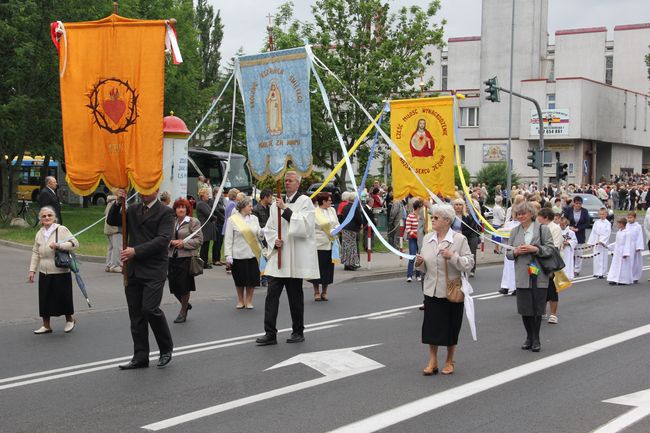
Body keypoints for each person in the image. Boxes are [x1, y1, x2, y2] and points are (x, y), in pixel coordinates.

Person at [107, 188, 174, 370]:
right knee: (136, 315)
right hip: (133, 270)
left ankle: (166, 349)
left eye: (148, 189)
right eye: (141, 189)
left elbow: (163, 240)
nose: (143, 193)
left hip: (154, 269)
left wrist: (136, 250)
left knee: (150, 309)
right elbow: (113, 221)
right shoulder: (134, 209)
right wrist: (117, 202)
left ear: (157, 190)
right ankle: (140, 356)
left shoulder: (166, 212)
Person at [256, 171, 319, 346]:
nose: (287, 183)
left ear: (298, 184)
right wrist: (273, 240)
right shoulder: (275, 203)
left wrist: (285, 209)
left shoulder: (305, 202)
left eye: (290, 181)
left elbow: (305, 227)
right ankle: (270, 333)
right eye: (285, 180)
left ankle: (298, 331)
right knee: (271, 295)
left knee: (295, 297)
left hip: (294, 258)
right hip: (279, 256)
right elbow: (269, 227)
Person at [415, 203, 474, 376]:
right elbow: (425, 266)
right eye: (432, 217)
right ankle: (433, 360)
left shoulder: (459, 239)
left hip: (451, 291)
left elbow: (469, 264)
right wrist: (419, 264)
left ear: (447, 221)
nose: (432, 220)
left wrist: (453, 256)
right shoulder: (427, 238)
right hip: (431, 290)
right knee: (431, 328)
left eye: (436, 218)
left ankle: (450, 360)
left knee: (451, 327)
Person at [506, 202, 555, 353]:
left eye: (523, 213)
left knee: (537, 308)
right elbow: (508, 253)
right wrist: (516, 252)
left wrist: (535, 248)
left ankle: (536, 338)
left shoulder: (542, 229)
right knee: (525, 309)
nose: (520, 216)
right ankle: (529, 336)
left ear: (531, 214)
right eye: (518, 214)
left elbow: (551, 249)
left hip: (538, 273)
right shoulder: (514, 231)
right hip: (522, 274)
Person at [28, 206, 79, 334]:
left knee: (63, 296)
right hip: (44, 271)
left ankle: (69, 319)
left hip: (60, 269)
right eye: (44, 216)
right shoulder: (39, 233)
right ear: (40, 219)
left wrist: (59, 245)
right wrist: (32, 270)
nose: (47, 218)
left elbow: (75, 243)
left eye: (49, 215)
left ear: (54, 217)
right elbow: (35, 252)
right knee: (45, 298)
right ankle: (46, 325)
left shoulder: (61, 229)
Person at [167, 198, 203, 323]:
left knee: (184, 286)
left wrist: (183, 244)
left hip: (186, 258)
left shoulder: (193, 222)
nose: (181, 209)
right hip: (172, 257)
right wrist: (171, 242)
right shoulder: (172, 221)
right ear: (175, 210)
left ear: (187, 209)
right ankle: (185, 304)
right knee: (173, 285)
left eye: (183, 207)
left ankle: (183, 311)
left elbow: (199, 240)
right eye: (178, 207)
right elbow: (164, 237)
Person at [224, 197, 263, 309]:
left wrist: (262, 232)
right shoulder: (233, 220)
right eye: (249, 206)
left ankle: (249, 301)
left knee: (252, 279)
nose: (251, 207)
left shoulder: (254, 218)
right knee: (240, 279)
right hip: (238, 255)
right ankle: (241, 300)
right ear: (242, 207)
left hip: (253, 254)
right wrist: (228, 255)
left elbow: (259, 235)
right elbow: (228, 238)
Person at [309, 192, 340, 301]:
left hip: (330, 243)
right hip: (319, 244)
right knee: (318, 269)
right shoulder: (314, 212)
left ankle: (324, 291)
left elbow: (336, 222)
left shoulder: (332, 210)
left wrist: (336, 229)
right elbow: (312, 228)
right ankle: (316, 291)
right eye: (329, 200)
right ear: (323, 201)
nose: (331, 202)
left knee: (328, 269)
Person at [537, 208, 563, 324]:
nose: (538, 219)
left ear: (546, 217)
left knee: (552, 288)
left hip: (550, 261)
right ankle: (541, 310)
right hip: (539, 260)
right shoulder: (539, 227)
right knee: (540, 287)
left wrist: (540, 249)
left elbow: (555, 247)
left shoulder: (555, 228)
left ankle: (553, 314)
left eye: (539, 217)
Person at [563, 196, 589, 276]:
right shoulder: (568, 210)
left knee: (578, 253)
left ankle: (577, 269)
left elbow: (587, 223)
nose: (578, 205)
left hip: (579, 234)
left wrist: (578, 229)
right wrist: (569, 227)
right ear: (573, 203)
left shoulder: (584, 211)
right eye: (576, 203)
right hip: (569, 234)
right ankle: (568, 268)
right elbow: (564, 219)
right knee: (569, 252)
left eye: (580, 204)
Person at [340, 191, 363, 271]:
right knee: (352, 247)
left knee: (346, 247)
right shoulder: (355, 208)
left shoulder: (345, 207)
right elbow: (358, 219)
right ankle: (352, 264)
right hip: (352, 229)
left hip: (345, 229)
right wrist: (360, 225)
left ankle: (346, 264)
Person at [608, 218, 633, 286]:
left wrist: (626, 253)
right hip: (617, 251)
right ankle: (614, 278)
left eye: (618, 223)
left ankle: (623, 280)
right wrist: (610, 246)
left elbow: (627, 243)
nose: (617, 225)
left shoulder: (627, 233)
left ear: (622, 224)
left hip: (623, 251)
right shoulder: (619, 232)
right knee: (615, 265)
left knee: (623, 266)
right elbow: (617, 242)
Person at [196, 188, 217, 269]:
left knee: (206, 246)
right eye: (207, 194)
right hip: (205, 227)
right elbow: (209, 215)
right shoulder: (201, 204)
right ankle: (203, 263)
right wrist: (215, 218)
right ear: (202, 195)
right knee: (204, 246)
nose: (208, 195)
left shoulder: (204, 203)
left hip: (207, 227)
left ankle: (204, 262)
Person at [588, 208, 612, 279]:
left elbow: (607, 233)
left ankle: (602, 272)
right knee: (596, 257)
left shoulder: (607, 223)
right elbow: (593, 232)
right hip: (596, 240)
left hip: (602, 242)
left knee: (602, 257)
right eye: (600, 214)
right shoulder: (596, 222)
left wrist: (602, 241)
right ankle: (596, 272)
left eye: (603, 214)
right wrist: (592, 241)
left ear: (606, 214)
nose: (601, 216)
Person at [103, 194, 123, 273]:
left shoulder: (109, 203)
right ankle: (115, 265)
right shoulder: (116, 202)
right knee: (117, 248)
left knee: (111, 247)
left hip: (108, 228)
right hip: (115, 229)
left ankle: (109, 265)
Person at [405, 200, 422, 283]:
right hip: (413, 238)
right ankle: (409, 275)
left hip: (420, 238)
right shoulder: (410, 216)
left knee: (419, 257)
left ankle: (418, 275)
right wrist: (415, 235)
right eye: (421, 207)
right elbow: (408, 229)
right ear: (418, 208)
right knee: (412, 256)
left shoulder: (422, 216)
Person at [626, 212, 644, 283]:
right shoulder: (626, 225)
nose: (629, 219)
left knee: (635, 262)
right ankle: (628, 275)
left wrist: (638, 246)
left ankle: (635, 276)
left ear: (634, 218)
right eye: (628, 218)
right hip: (627, 245)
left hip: (634, 246)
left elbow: (639, 237)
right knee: (628, 261)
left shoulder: (638, 226)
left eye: (631, 218)